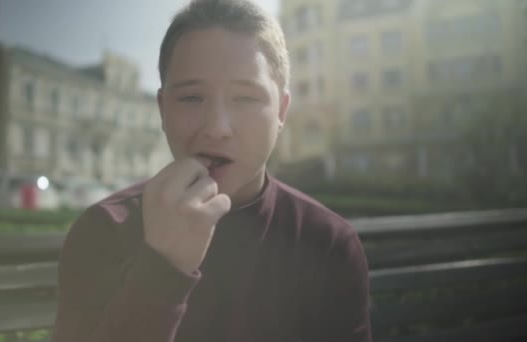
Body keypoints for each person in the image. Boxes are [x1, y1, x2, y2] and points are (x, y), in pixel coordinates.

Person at [53, 0, 371, 341]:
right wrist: (163, 268)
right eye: (192, 98)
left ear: (281, 109)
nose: (217, 128)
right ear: (162, 109)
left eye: (246, 98)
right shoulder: (103, 231)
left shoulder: (328, 243)